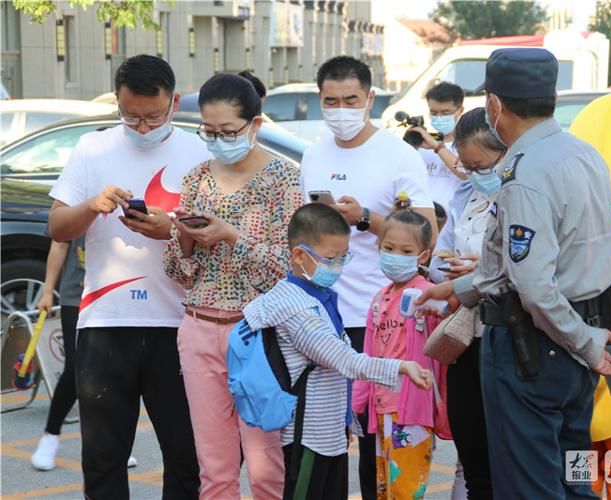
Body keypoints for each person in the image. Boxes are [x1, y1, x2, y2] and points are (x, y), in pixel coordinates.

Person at [416, 48, 611, 499]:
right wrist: (459, 287)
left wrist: (585, 345)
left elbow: (532, 285)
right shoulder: (582, 153)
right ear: (551, 96)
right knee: (573, 481)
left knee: (530, 487)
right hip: (576, 337)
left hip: (536, 347)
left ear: (494, 105)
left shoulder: (527, 171)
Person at [48, 54, 208, 499]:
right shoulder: (92, 148)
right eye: (129, 116)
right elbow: (58, 227)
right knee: (102, 459)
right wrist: (90, 206)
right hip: (105, 323)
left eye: (152, 117)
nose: (141, 127)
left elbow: (219, 235)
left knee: (186, 457)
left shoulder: (201, 152)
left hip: (179, 324)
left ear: (174, 103)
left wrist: (171, 228)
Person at [300, 55, 437, 500]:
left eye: (350, 99)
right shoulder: (314, 153)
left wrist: (365, 219)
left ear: (371, 98)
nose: (340, 109)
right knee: (321, 436)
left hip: (376, 321)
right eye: (331, 100)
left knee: (376, 437)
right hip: (319, 318)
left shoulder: (398, 154)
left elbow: (427, 230)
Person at [163, 71, 301, 499]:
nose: (219, 139)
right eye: (209, 130)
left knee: (264, 466)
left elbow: (290, 269)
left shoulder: (284, 179)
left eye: (228, 131)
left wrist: (231, 237)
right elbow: (178, 271)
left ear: (255, 125)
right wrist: (185, 239)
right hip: (199, 327)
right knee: (215, 467)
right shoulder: (197, 178)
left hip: (257, 334)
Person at [242, 203, 433, 500]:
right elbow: (341, 358)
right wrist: (400, 367)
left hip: (328, 433)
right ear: (299, 255)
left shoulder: (317, 295)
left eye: (344, 257)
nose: (338, 266)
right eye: (331, 259)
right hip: (308, 435)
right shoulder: (295, 306)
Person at [428, 107, 506, 499]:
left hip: (507, 337)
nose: (476, 174)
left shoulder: (526, 195)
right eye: (468, 165)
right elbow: (440, 261)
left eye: (483, 164)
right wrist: (450, 273)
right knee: (471, 449)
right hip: (465, 338)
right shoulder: (465, 196)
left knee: (509, 459)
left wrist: (485, 270)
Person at [353, 209, 443, 500]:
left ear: (424, 256)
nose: (395, 255)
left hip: (412, 410)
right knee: (385, 487)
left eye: (406, 250)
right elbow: (368, 352)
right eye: (388, 248)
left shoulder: (430, 295)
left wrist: (438, 309)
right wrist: (358, 403)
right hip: (381, 406)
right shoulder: (380, 298)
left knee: (406, 490)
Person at [30, 238, 139, 471]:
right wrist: (48, 291)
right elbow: (59, 244)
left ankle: (114, 445)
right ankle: (50, 436)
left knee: (115, 369)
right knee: (77, 367)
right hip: (76, 296)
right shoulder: (73, 202)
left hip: (117, 294)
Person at [408, 82, 466, 209]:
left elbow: (466, 173)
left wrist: (437, 147)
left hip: (453, 221)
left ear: (460, 110)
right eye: (434, 113)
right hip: (422, 219)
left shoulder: (468, 143)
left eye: (445, 113)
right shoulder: (422, 143)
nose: (439, 118)